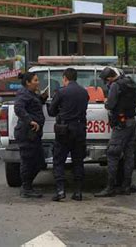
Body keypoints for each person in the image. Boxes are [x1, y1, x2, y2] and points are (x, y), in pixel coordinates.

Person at [95, 67, 136, 197]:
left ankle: (110, 187)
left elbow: (110, 104)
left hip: (121, 124)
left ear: (109, 78)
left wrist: (106, 102)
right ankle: (126, 186)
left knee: (113, 154)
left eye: (105, 81)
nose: (106, 83)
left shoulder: (115, 86)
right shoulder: (130, 82)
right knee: (129, 155)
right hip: (131, 122)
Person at [48, 68, 89, 202]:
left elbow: (51, 111)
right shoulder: (84, 92)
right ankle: (78, 192)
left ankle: (60, 190)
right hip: (79, 129)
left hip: (64, 129)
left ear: (65, 78)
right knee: (78, 160)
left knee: (59, 160)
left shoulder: (61, 92)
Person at [14, 72, 48, 198]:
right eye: (35, 80)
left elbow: (34, 103)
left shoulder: (31, 94)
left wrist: (43, 98)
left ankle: (27, 185)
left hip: (34, 133)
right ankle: (26, 188)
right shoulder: (23, 93)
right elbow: (18, 108)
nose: (38, 82)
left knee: (39, 162)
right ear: (28, 82)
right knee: (28, 160)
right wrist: (30, 120)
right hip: (26, 132)